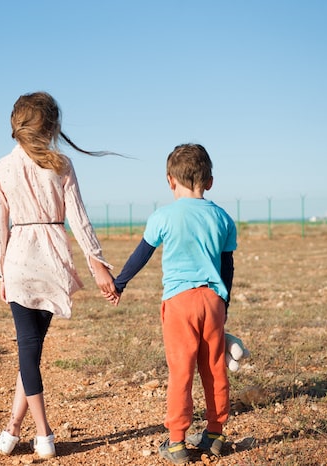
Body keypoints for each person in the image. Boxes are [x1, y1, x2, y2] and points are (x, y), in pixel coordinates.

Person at [0, 91, 117, 459]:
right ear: (52, 128)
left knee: (28, 349)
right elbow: (79, 218)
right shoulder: (61, 164)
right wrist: (97, 263)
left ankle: (42, 433)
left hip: (17, 261)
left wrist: (0, 272)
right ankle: (15, 428)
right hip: (52, 261)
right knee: (30, 348)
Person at [105, 143, 236, 464]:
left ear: (170, 180)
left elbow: (142, 254)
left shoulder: (163, 216)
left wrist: (119, 283)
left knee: (181, 371)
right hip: (213, 299)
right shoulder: (222, 217)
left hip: (179, 302)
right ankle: (216, 434)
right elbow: (227, 266)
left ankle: (177, 442)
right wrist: (224, 304)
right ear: (210, 181)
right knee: (214, 367)